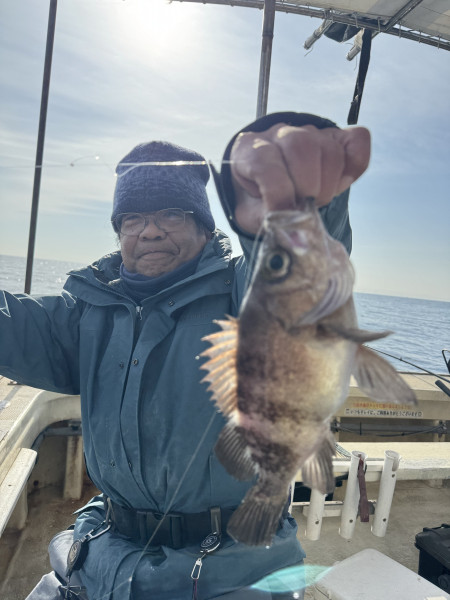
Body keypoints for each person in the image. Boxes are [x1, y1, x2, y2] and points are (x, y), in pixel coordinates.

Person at [1, 111, 370, 600]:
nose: (150, 231)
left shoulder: (241, 291)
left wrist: (306, 194)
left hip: (234, 570)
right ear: (119, 231)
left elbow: (300, 270)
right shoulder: (87, 312)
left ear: (204, 228)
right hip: (103, 551)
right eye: (133, 219)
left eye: (171, 215)